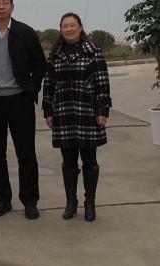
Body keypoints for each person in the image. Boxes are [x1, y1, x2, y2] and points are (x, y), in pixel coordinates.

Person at [0, 0, 46, 220]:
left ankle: (30, 201)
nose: (1, 7)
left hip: (20, 100)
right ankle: (2, 200)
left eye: (5, 3)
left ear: (12, 7)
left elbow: (39, 63)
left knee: (26, 153)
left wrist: (31, 87)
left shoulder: (25, 32)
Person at [43, 12, 112, 222]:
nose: (69, 29)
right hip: (64, 112)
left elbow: (102, 82)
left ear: (80, 28)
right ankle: (70, 202)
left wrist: (102, 110)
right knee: (68, 161)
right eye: (65, 26)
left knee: (90, 160)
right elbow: (49, 84)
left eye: (73, 25)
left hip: (87, 112)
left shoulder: (93, 52)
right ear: (61, 30)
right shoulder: (55, 54)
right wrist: (48, 110)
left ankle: (90, 202)